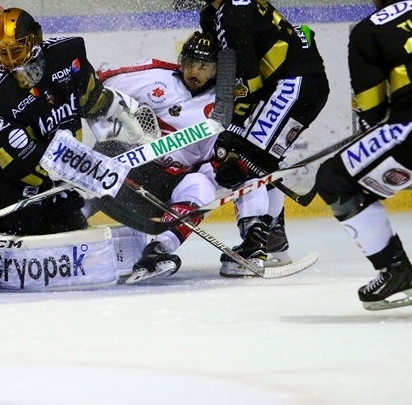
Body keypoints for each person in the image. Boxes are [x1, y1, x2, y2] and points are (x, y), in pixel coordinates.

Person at [91, 32, 288, 284]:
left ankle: (159, 251)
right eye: (189, 63)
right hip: (126, 176)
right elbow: (93, 87)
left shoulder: (227, 106)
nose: (194, 72)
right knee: (82, 192)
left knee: (209, 183)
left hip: (164, 192)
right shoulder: (154, 76)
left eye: (204, 67)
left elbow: (227, 164)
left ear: (217, 70)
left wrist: (230, 166)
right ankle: (61, 218)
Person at [193, 0, 330, 276]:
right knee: (252, 158)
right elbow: (230, 73)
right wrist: (228, 122)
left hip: (296, 84)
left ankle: (256, 250)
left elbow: (248, 79)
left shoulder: (235, 15)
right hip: (286, 84)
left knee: (245, 161)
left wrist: (233, 125)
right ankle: (275, 242)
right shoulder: (214, 12)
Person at [0, 7, 146, 237]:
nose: (12, 62)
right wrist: (83, 172)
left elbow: (90, 100)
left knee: (72, 223)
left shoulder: (66, 55)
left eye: (17, 50)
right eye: (4, 53)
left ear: (36, 40)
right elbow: (28, 165)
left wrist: (116, 112)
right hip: (6, 194)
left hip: (52, 186)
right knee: (57, 228)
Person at [315, 0, 412, 310]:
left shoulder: (371, 30)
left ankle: (395, 269)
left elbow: (373, 110)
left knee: (334, 179)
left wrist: (379, 125)